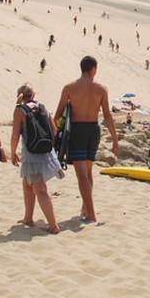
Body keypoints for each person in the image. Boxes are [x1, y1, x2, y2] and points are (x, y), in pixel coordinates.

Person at [53, 56, 120, 224]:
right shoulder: (101, 88)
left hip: (77, 130)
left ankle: (91, 213)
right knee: (88, 173)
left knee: (81, 174)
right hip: (93, 130)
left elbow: (58, 113)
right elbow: (107, 115)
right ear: (93, 68)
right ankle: (85, 208)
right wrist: (115, 139)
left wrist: (55, 133)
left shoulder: (69, 88)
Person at [11, 83, 64, 234]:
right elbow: (54, 130)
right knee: (27, 183)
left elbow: (15, 135)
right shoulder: (43, 107)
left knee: (39, 188)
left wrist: (13, 152)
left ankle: (54, 226)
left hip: (31, 154)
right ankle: (28, 217)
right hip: (46, 152)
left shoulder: (19, 111)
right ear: (33, 95)